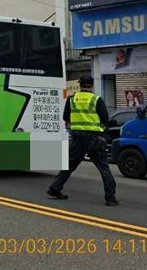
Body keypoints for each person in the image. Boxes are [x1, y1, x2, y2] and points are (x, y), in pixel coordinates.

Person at [48, 75, 117, 206]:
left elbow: (65, 117)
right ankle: (110, 198)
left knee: (70, 164)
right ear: (91, 85)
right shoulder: (96, 99)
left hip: (77, 137)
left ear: (80, 85)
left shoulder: (72, 99)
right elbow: (104, 119)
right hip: (94, 137)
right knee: (103, 167)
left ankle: (55, 188)